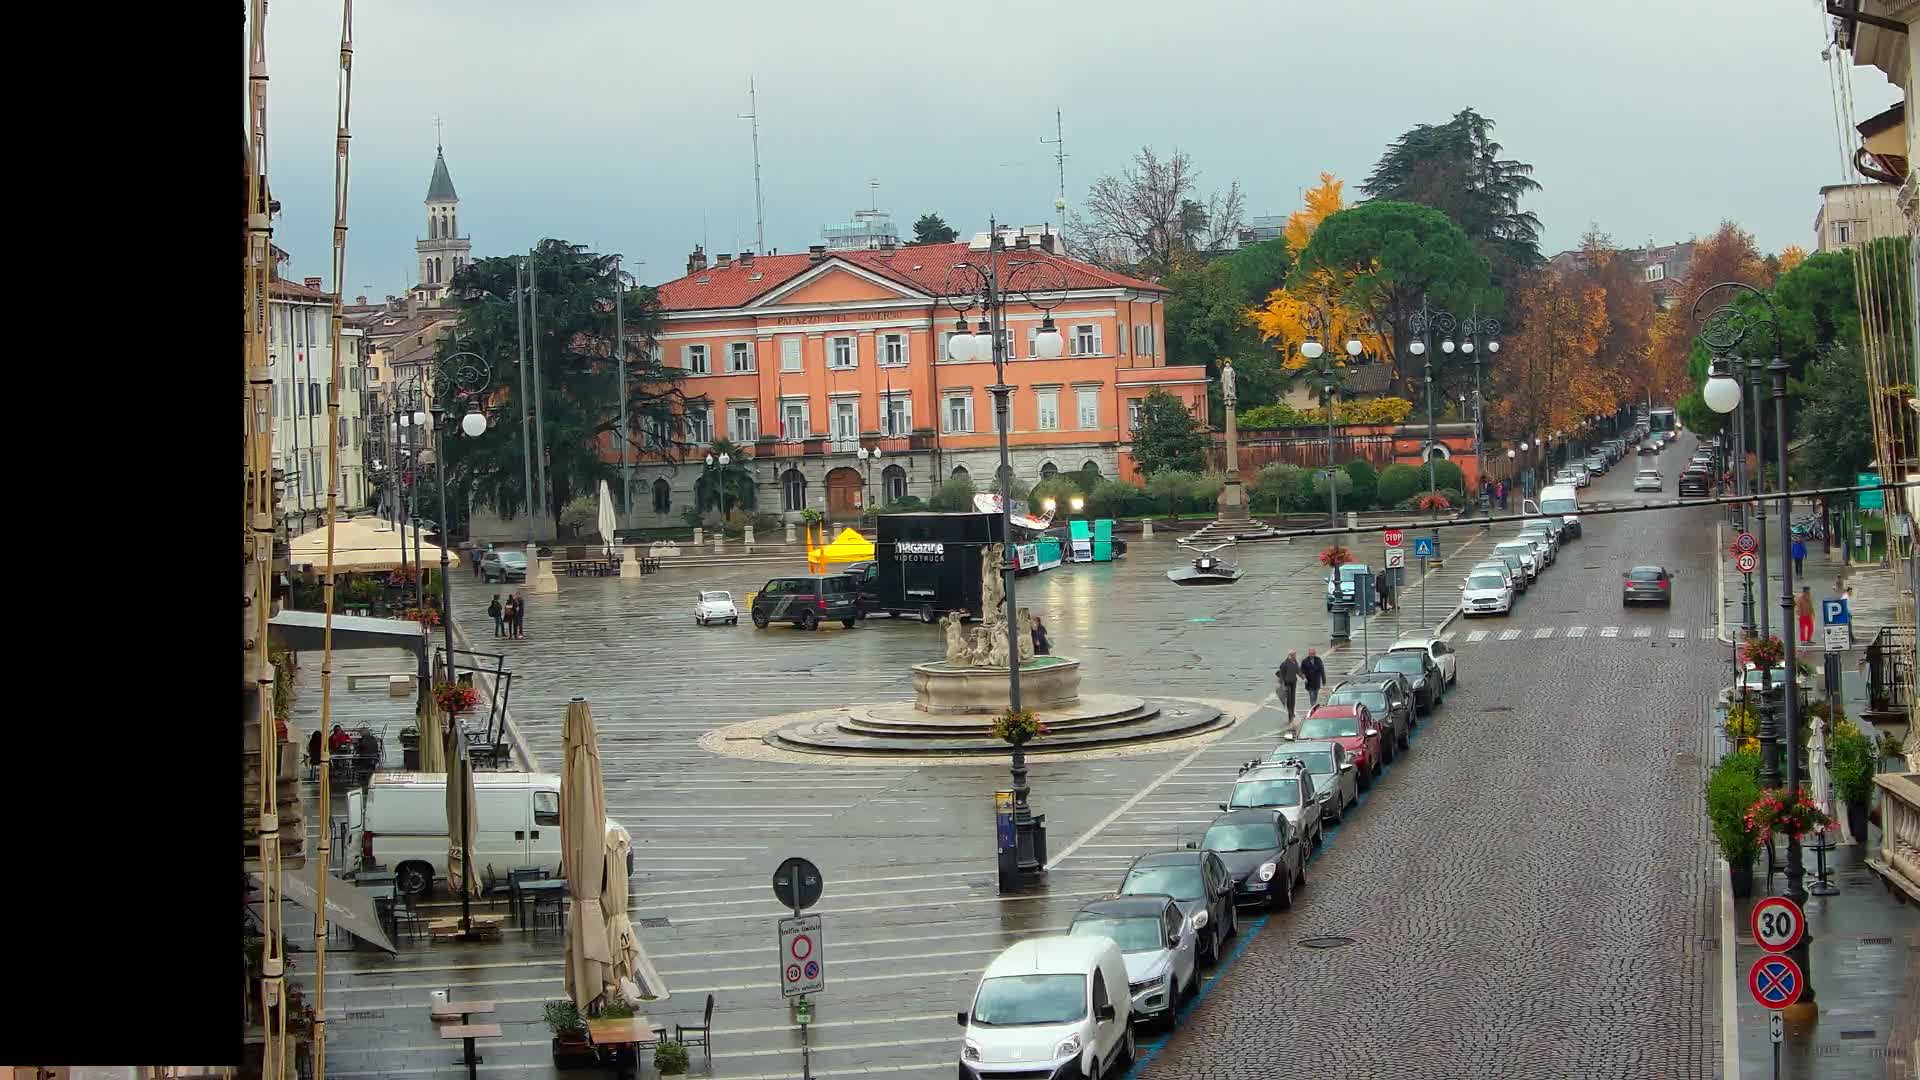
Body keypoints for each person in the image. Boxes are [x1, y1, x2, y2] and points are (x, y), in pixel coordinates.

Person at [1276, 651, 1300, 720]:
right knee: (1289, 699)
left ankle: (1292, 712)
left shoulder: (1295, 661)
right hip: (1287, 683)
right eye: (1295, 655)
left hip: (1294, 683)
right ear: (1291, 656)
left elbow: (1297, 670)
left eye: (1295, 655)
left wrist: (1303, 677)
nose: (1296, 656)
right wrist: (1281, 683)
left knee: (1293, 698)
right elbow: (1281, 673)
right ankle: (1290, 714)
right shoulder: (1285, 663)